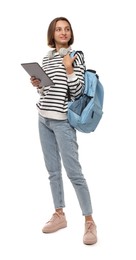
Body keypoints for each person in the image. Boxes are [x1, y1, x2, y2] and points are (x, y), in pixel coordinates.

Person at [30, 17, 97, 245]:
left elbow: (77, 91)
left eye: (66, 29)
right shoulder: (46, 58)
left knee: (74, 173)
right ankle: (59, 214)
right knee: (52, 171)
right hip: (43, 119)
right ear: (52, 33)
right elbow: (46, 92)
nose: (63, 32)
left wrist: (69, 68)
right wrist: (39, 84)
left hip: (62, 122)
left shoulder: (76, 56)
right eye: (59, 29)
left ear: (70, 33)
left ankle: (89, 221)